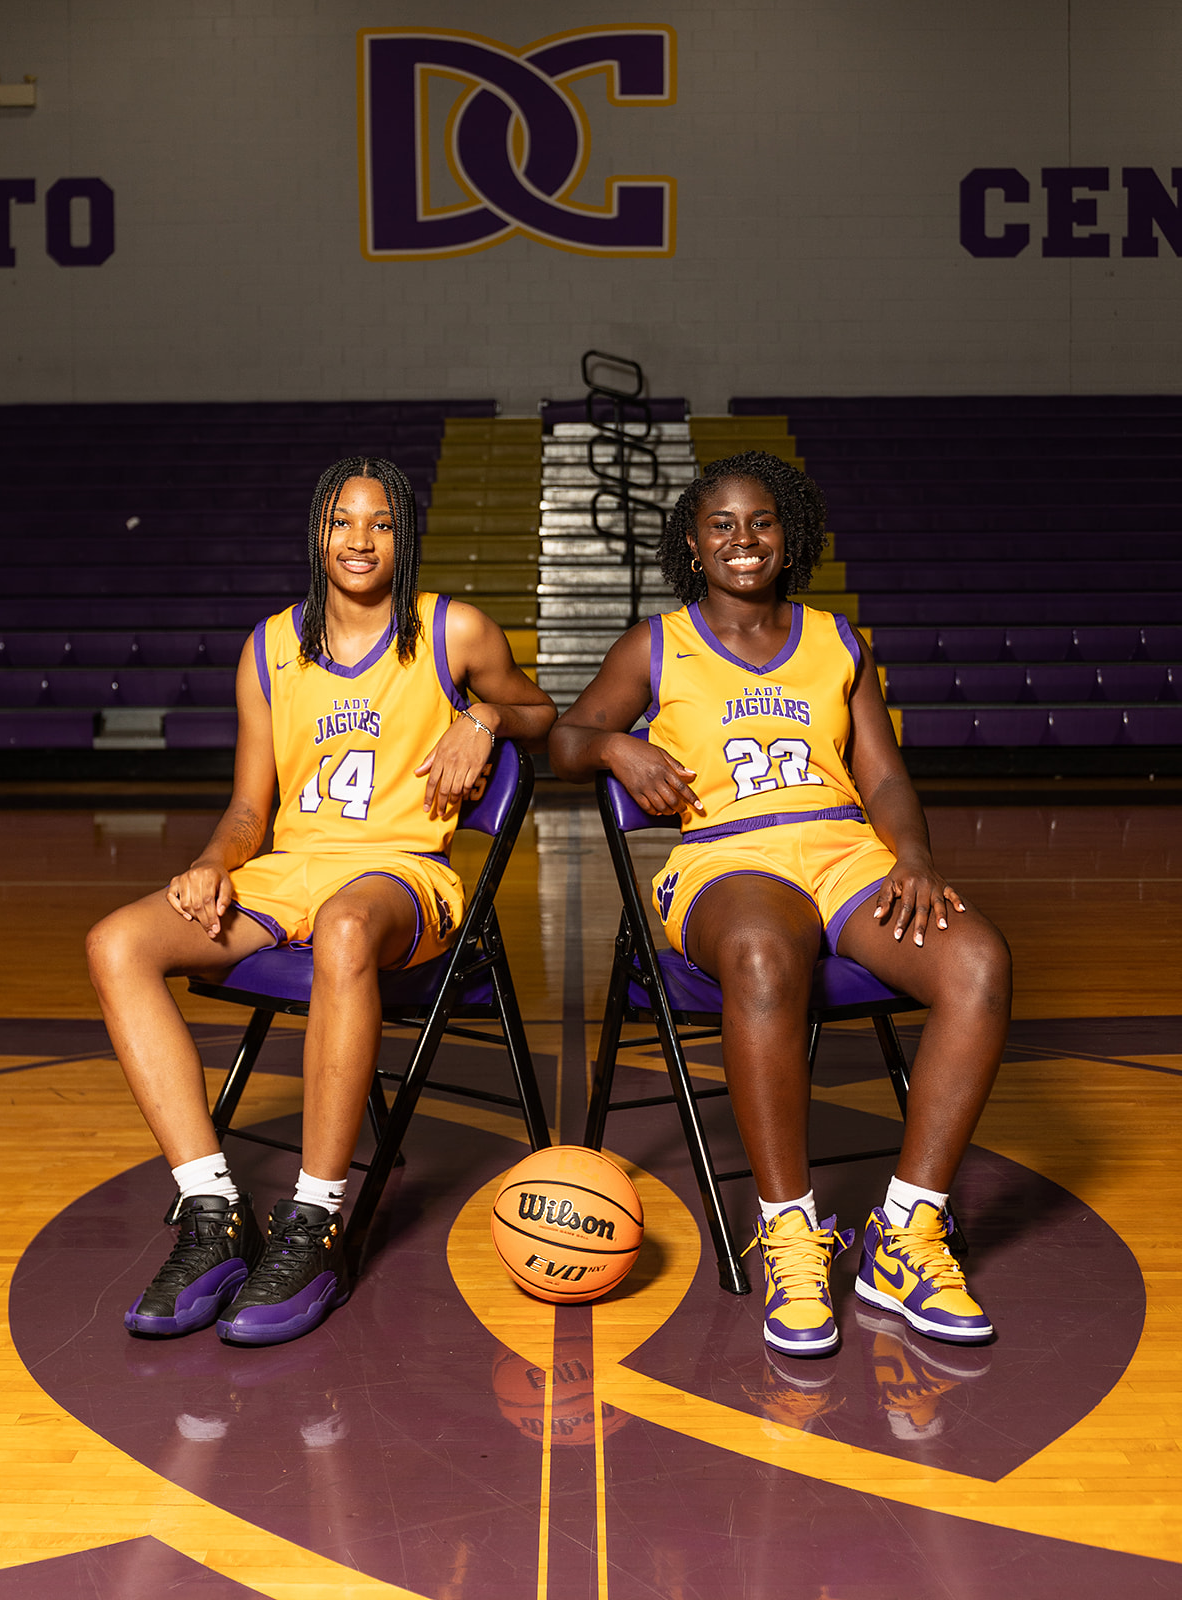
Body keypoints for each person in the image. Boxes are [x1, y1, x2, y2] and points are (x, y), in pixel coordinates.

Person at [549, 452, 1010, 1357]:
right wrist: (614, 750)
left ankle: (905, 1233)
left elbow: (881, 774)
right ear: (692, 542)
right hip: (727, 859)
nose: (742, 540)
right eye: (721, 524)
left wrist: (912, 857)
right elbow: (564, 737)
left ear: (787, 535)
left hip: (846, 853)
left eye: (760, 522)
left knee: (977, 961)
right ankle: (790, 1233)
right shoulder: (658, 644)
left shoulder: (837, 641)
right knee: (764, 955)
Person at [88, 457, 556, 1347]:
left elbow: (544, 714)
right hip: (289, 870)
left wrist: (485, 717)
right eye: (343, 521)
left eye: (381, 523)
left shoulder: (450, 630)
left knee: (344, 925)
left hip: (401, 876)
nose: (360, 540)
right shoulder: (269, 646)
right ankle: (212, 1212)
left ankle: (315, 1221)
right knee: (117, 942)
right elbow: (246, 812)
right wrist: (211, 863)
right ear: (317, 532)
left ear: (404, 536)